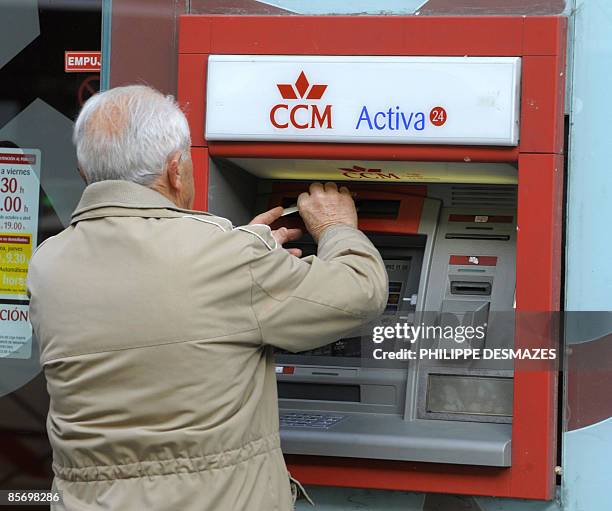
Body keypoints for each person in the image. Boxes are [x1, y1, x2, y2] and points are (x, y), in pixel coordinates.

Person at [27, 85, 388, 511]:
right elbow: (361, 291)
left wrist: (248, 255)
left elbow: (160, 304)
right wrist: (336, 229)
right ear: (176, 169)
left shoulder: (48, 262)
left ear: (86, 171)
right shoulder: (228, 255)